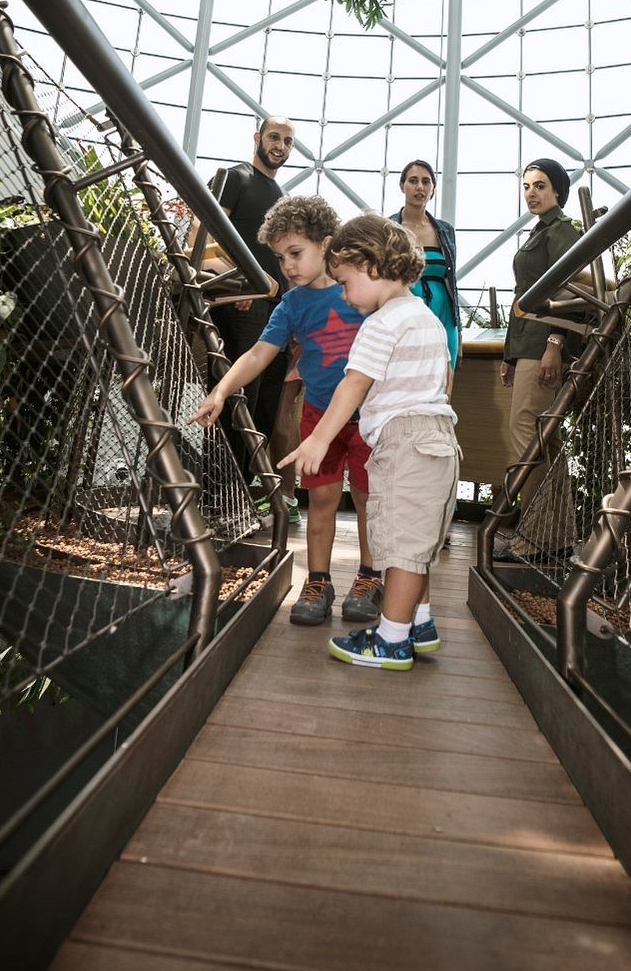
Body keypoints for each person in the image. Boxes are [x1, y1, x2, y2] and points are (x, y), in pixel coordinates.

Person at [192, 196, 384, 628]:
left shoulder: (361, 291)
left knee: (369, 502)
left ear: (326, 244)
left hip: (369, 417)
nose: (288, 267)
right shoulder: (292, 305)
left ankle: (369, 578)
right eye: (280, 258)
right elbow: (259, 353)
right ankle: (318, 582)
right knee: (321, 500)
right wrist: (221, 390)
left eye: (296, 253)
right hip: (318, 416)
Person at [282, 214, 459, 671]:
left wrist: (318, 440)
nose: (343, 295)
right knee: (418, 540)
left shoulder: (381, 324)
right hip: (439, 440)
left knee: (400, 549)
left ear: (372, 267)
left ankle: (391, 640)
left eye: (345, 283)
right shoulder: (425, 317)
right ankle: (420, 623)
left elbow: (353, 384)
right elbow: (444, 379)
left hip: (405, 443)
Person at [203, 115, 299, 520]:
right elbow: (202, 234)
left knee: (263, 408)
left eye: (288, 141)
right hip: (242, 303)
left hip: (277, 310)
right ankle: (216, 499)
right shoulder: (233, 177)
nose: (280, 146)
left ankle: (239, 498)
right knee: (236, 400)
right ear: (257, 137)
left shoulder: (281, 196)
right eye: (274, 137)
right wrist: (239, 283)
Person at [497, 158, 581, 560]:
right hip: (527, 345)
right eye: (527, 186)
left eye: (541, 185)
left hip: (542, 345)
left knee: (528, 439)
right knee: (543, 441)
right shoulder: (542, 231)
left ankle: (534, 537)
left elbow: (569, 288)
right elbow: (524, 296)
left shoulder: (561, 230)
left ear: (558, 191)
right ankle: (554, 535)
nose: (531, 192)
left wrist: (554, 342)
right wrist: (510, 355)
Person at [390, 159, 461, 372]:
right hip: (404, 315)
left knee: (445, 376)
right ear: (402, 186)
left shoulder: (445, 230)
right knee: (407, 375)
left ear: (433, 189)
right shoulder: (388, 228)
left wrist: (459, 328)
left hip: (444, 314)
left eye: (426, 181)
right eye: (413, 181)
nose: (419, 187)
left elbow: (452, 280)